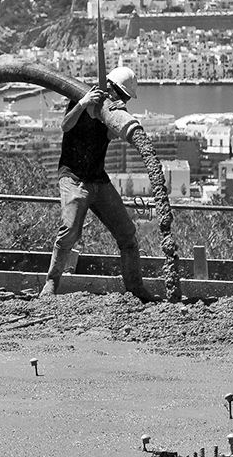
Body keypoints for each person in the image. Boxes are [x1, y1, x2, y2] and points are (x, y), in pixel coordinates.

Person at [39, 67, 153, 301]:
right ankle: (50, 284)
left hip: (98, 179)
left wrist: (119, 116)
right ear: (110, 86)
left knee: (127, 233)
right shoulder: (80, 97)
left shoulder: (111, 107)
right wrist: (82, 104)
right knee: (69, 230)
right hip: (73, 177)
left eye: (125, 99)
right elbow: (65, 126)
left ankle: (135, 288)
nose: (122, 100)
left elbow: (112, 135)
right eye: (121, 95)